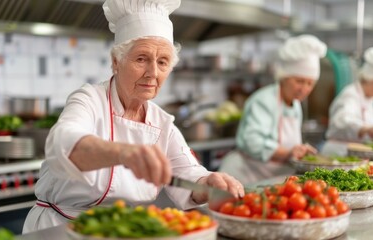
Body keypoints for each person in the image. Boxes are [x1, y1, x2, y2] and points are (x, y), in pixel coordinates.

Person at [22, 0, 244, 233]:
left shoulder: (162, 122)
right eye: (141, 59)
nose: (152, 73)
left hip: (120, 230)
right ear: (116, 62)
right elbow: (63, 144)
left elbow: (189, 174)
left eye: (162, 62)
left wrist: (209, 184)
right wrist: (124, 153)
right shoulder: (88, 99)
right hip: (59, 229)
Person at [218, 35, 327, 185]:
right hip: (246, 176)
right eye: (299, 81)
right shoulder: (264, 100)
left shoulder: (295, 105)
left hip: (274, 178)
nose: (304, 89)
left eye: (310, 83)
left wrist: (299, 152)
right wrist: (289, 152)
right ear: (285, 77)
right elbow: (252, 142)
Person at [321, 47, 373, 156]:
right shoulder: (350, 95)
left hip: (356, 156)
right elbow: (342, 121)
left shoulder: (369, 99)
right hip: (338, 155)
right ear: (371, 79)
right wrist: (366, 129)